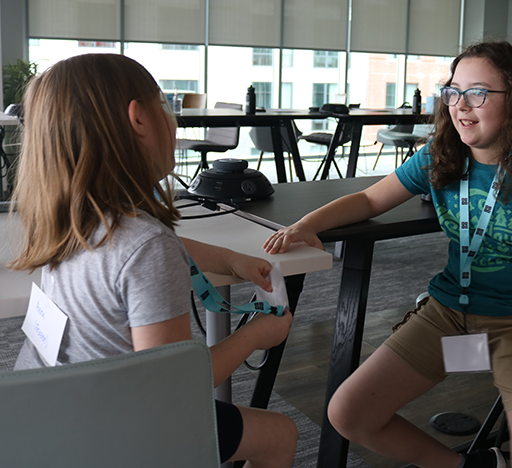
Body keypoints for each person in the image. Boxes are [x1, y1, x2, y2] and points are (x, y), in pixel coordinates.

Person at [264, 41, 512, 468]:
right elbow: (371, 200)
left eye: (478, 92)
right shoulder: (440, 155)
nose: (461, 105)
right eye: (453, 91)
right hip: (453, 321)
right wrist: (306, 224)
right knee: (350, 412)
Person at [7, 54, 297, 468]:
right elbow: (171, 386)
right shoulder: (146, 247)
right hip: (115, 430)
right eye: (164, 104)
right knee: (280, 435)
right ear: (138, 118)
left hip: (48, 413)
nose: (172, 120)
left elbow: (141, 252)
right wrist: (256, 335)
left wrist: (231, 259)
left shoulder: (70, 218)